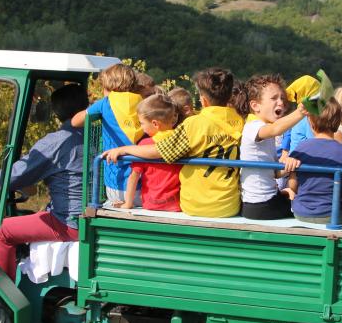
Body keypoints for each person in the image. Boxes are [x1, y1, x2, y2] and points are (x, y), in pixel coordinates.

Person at [0, 84, 88, 279]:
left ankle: (1, 297)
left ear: (55, 112)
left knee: (1, 231)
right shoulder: (94, 135)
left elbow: (14, 176)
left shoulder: (58, 141)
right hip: (85, 217)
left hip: (69, 223)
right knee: (31, 215)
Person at [104, 67, 244, 217]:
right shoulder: (240, 121)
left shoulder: (194, 124)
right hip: (230, 205)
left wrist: (124, 149)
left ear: (203, 100)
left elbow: (158, 151)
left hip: (197, 205)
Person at [72, 64, 143, 205]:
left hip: (117, 183)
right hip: (143, 185)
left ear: (108, 87)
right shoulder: (142, 102)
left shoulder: (105, 103)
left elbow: (75, 122)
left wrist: (92, 107)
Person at [239, 74, 305, 220]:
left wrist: (289, 166)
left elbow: (275, 173)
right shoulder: (253, 127)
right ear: (255, 106)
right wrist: (301, 112)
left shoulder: (265, 129)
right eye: (274, 98)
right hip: (261, 205)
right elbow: (276, 129)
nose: (281, 102)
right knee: (311, 209)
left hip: (267, 201)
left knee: (295, 197)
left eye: (282, 98)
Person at [287, 98, 342, 224]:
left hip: (301, 213)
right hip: (332, 215)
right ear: (338, 123)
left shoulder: (301, 148)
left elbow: (292, 185)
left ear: (311, 124)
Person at [121, 94, 182, 212]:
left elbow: (133, 177)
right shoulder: (180, 140)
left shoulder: (145, 144)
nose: (141, 128)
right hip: (176, 205)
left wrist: (128, 203)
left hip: (151, 204)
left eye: (142, 123)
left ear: (155, 123)